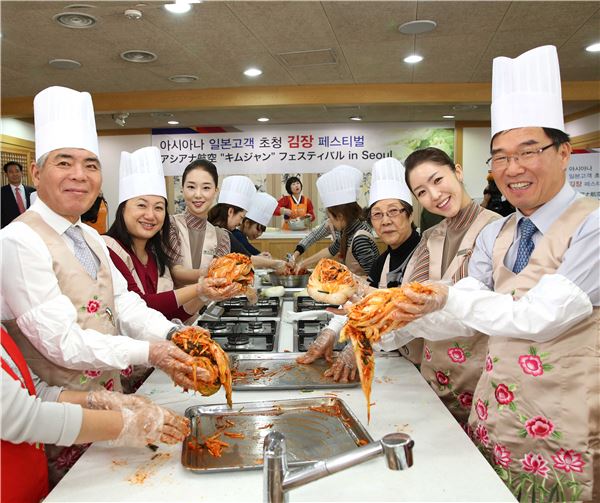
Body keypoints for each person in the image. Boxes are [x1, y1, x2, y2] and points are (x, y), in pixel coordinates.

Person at [389, 46, 599, 501]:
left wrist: (443, 299)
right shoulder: (500, 231)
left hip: (565, 424)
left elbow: (542, 315)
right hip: (495, 413)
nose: (512, 169)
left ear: (564, 153)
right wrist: (392, 324)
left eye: (529, 151)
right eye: (500, 157)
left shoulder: (592, 224)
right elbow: (466, 313)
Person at [0, 86, 212, 485]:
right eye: (65, 162)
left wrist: (173, 336)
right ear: (35, 173)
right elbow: (61, 342)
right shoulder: (18, 241)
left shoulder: (90, 236)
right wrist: (153, 351)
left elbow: (126, 303)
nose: (79, 175)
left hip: (118, 406)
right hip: (63, 425)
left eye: (90, 165)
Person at [1, 325, 189, 503]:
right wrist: (126, 424)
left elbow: (35, 392)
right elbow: (26, 417)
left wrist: (97, 400)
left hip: (30, 484)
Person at [384, 147, 500, 427]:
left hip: (479, 379)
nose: (434, 195)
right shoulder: (431, 237)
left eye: (437, 181)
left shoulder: (496, 229)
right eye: (421, 192)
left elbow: (487, 306)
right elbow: (410, 297)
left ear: (457, 172)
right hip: (432, 374)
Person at [297, 158, 420, 382]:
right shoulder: (383, 261)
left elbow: (412, 317)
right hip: (394, 365)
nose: (386, 221)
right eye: (377, 214)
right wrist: (331, 332)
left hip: (421, 369)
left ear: (410, 214)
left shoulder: (424, 257)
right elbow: (363, 303)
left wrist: (360, 341)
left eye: (394, 211)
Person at [296, 165, 379, 276]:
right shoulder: (348, 229)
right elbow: (331, 249)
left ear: (340, 216)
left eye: (330, 217)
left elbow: (373, 277)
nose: (329, 221)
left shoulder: (359, 239)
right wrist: (303, 263)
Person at [168, 159, 231, 287]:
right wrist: (213, 272)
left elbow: (219, 283)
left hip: (209, 306)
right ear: (182, 190)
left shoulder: (222, 237)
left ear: (215, 191)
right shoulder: (170, 225)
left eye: (206, 188)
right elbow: (176, 273)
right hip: (173, 305)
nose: (198, 195)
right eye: (191, 187)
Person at [207, 175, 256, 254]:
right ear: (230, 212)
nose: (240, 223)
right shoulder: (224, 234)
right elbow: (247, 258)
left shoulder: (209, 226)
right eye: (241, 217)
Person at [1, 161, 36, 228]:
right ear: (6, 174)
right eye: (11, 172)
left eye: (17, 171)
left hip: (31, 229)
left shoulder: (32, 191)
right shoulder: (2, 193)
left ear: (21, 173)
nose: (14, 174)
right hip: (10, 230)